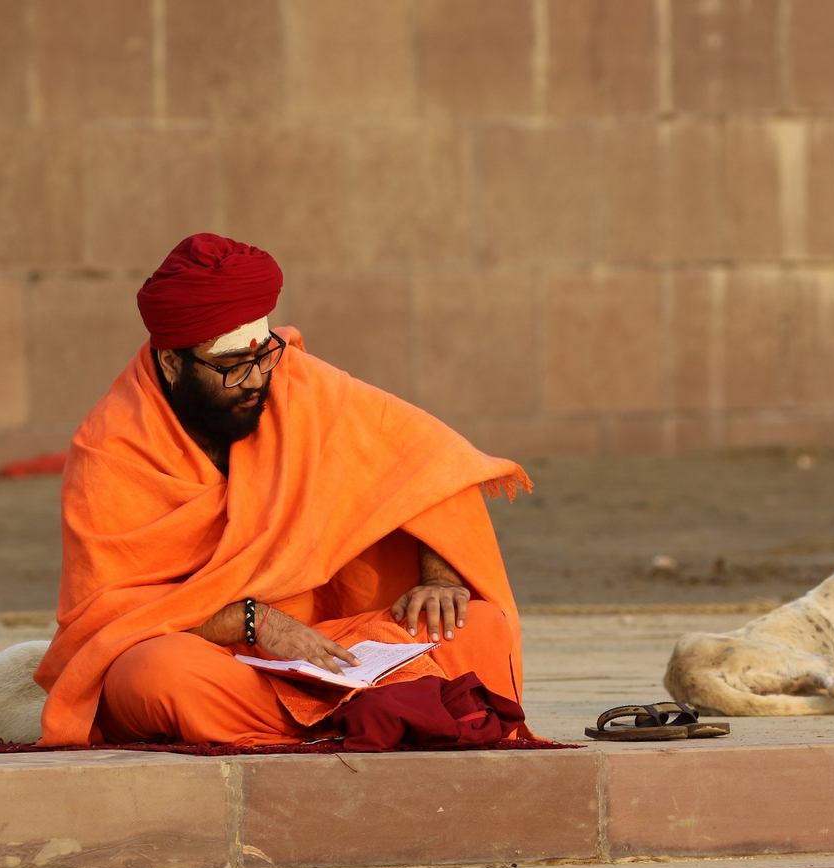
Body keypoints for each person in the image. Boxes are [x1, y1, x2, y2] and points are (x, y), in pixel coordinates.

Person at [33, 233, 530, 747]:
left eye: (263, 357)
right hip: (218, 657)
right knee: (157, 677)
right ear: (172, 362)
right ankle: (392, 710)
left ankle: (347, 715)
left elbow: (432, 459)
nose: (254, 381)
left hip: (333, 644)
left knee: (480, 625)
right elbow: (112, 616)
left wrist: (441, 579)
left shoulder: (295, 382)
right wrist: (256, 623)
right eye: (231, 367)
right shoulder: (110, 448)